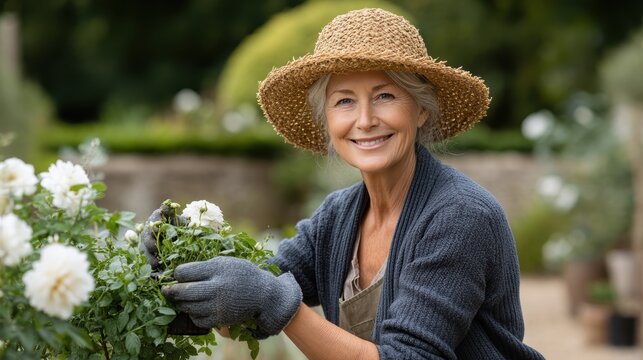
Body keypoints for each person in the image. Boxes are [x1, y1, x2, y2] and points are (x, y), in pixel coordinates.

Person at [142, 8, 544, 359]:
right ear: (327, 121)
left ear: (421, 109)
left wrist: (276, 300)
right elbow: (244, 309)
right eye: (345, 101)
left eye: (385, 95)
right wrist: (176, 264)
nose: (365, 119)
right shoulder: (338, 217)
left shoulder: (460, 217)